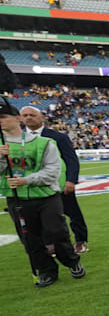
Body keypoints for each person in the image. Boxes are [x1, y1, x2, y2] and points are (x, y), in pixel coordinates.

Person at [0, 98, 85, 287]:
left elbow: (53, 171)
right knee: (29, 239)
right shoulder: (1, 146)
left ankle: (71, 261)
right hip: (17, 198)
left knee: (57, 231)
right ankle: (46, 271)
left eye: (4, 116)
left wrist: (26, 180)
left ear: (16, 119)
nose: (0, 120)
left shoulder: (45, 142)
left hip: (46, 195)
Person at [19, 106, 90, 254]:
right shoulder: (19, 139)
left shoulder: (58, 137)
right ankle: (49, 244)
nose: (28, 118)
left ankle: (80, 241)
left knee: (73, 213)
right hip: (34, 187)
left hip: (60, 184)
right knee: (42, 217)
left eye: (32, 115)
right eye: (25, 115)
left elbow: (71, 160)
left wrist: (71, 180)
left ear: (41, 118)